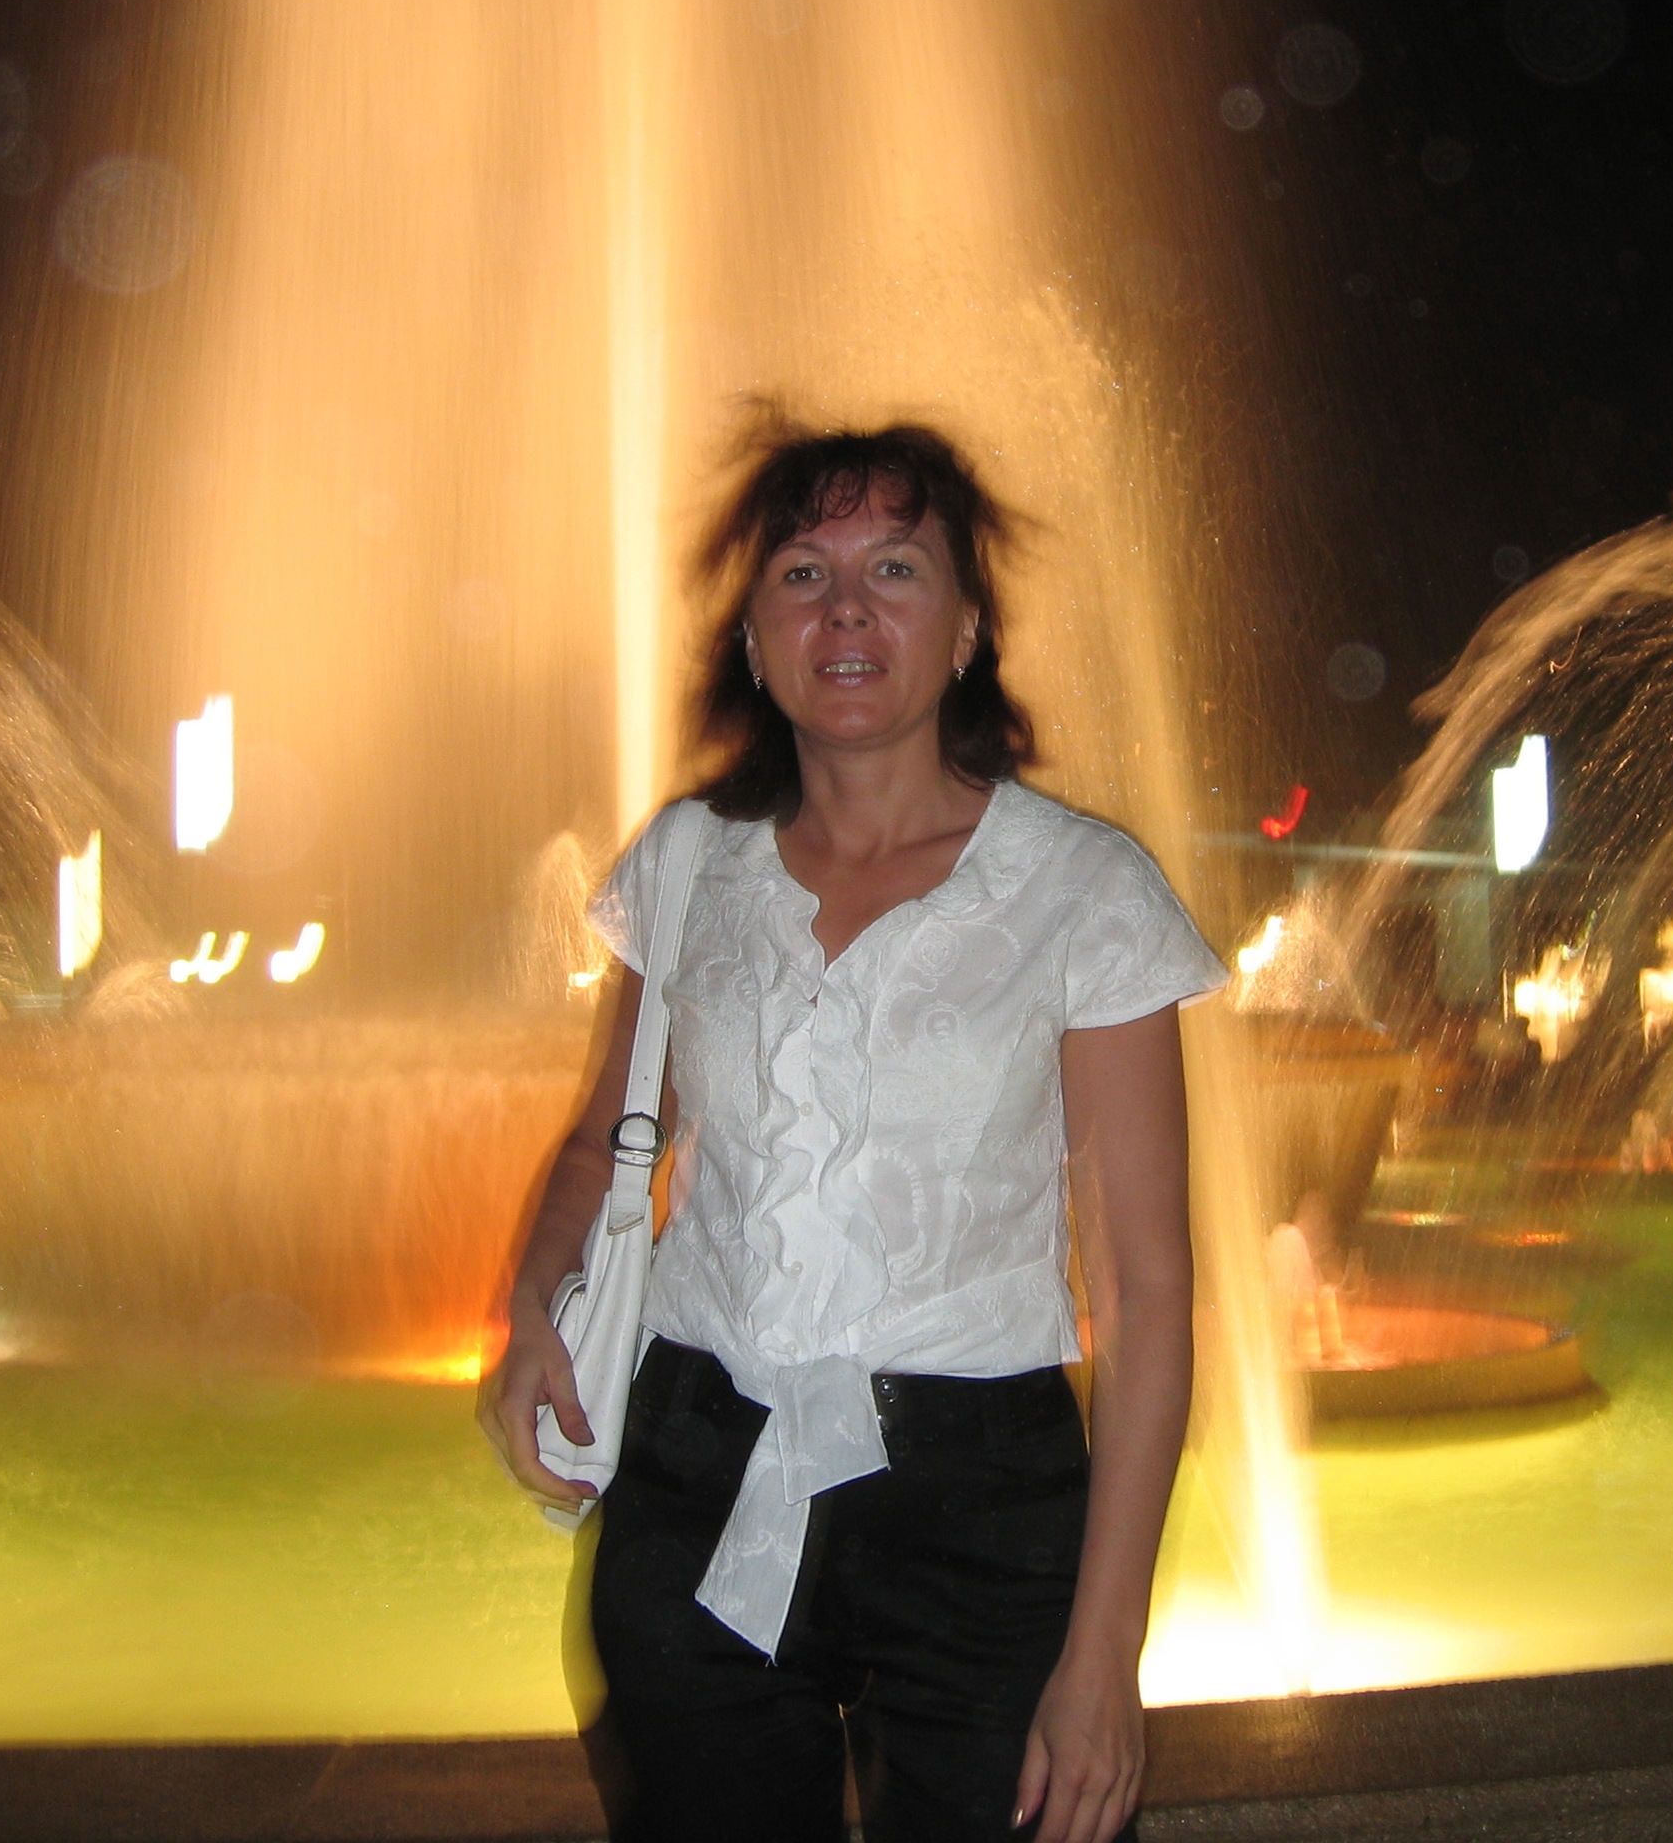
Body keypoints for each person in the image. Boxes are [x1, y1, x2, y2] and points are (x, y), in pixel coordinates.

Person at [478, 422, 1225, 1843]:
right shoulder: (688, 863)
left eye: (895, 568)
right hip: (698, 1473)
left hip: (982, 1502)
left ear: (966, 630)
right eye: (803, 573)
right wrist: (531, 1311)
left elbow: (1143, 1291)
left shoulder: (1083, 890)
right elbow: (605, 1141)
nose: (846, 610)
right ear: (755, 639)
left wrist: (1105, 1652)